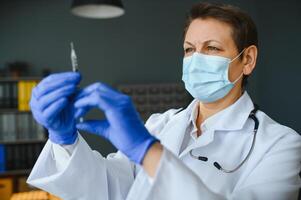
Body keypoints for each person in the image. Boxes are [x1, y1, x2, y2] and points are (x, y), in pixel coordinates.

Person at [27, 2, 301, 200]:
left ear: (248, 59)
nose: (196, 59)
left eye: (212, 48)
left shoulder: (280, 145)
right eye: (189, 49)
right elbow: (108, 190)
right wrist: (65, 140)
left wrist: (148, 152)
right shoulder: (161, 124)